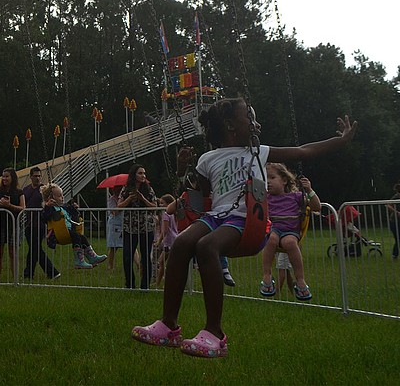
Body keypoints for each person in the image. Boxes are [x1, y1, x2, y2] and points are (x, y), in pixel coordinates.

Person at [132, 98, 357, 358]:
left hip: (247, 220)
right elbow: (201, 197)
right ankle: (168, 325)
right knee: (182, 243)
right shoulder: (207, 159)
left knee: (207, 246)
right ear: (231, 126)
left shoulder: (258, 152)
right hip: (216, 217)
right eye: (250, 118)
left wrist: (341, 140)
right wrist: (184, 170)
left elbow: (303, 151)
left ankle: (214, 333)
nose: (257, 124)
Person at [259, 163, 321, 301]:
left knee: (290, 243)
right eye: (265, 179)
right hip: (273, 229)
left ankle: (300, 281)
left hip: (290, 231)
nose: (268, 181)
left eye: (272, 177)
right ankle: (267, 277)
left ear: (284, 180)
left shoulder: (296, 196)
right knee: (271, 239)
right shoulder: (265, 198)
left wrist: (309, 190)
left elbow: (317, 207)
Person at [41, 183, 106, 268]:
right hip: (57, 235)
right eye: (60, 196)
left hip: (68, 232)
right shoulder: (50, 209)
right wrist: (47, 205)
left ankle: (92, 257)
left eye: (62, 195)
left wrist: (74, 208)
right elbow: (44, 217)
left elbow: (74, 216)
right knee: (76, 236)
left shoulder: (64, 207)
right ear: (50, 198)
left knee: (82, 237)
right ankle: (79, 260)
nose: (63, 197)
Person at [118, 163, 159, 289]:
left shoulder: (148, 189)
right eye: (140, 173)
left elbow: (155, 206)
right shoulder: (126, 189)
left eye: (144, 173)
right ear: (134, 175)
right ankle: (129, 283)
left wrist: (142, 199)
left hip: (146, 227)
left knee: (146, 257)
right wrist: (129, 199)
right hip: (130, 227)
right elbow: (119, 206)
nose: (143, 176)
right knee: (127, 256)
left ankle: (145, 285)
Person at [23, 167, 60, 279]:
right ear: (30, 177)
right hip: (28, 223)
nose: (38, 178)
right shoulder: (26, 190)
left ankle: (52, 272)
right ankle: (28, 273)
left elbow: (54, 200)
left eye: (39, 176)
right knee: (34, 249)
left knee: (36, 248)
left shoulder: (44, 189)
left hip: (40, 223)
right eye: (35, 176)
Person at [0, 168, 25, 283]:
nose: (4, 179)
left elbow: (23, 208)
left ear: (13, 178)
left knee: (13, 253)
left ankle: (15, 279)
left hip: (13, 225)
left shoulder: (19, 192)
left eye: (7, 176)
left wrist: (9, 206)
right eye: (3, 176)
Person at [155, 194, 178, 286]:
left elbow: (164, 230)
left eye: (162, 203)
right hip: (174, 238)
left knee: (161, 262)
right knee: (165, 262)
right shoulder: (173, 214)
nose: (160, 205)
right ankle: (161, 282)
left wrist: (159, 241)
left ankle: (158, 283)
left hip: (169, 241)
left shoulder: (165, 214)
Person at [106, 185, 124, 273]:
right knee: (113, 246)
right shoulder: (112, 199)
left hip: (124, 223)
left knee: (130, 245)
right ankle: (110, 266)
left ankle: (138, 265)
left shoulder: (124, 198)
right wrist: (121, 204)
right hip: (114, 224)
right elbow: (114, 212)